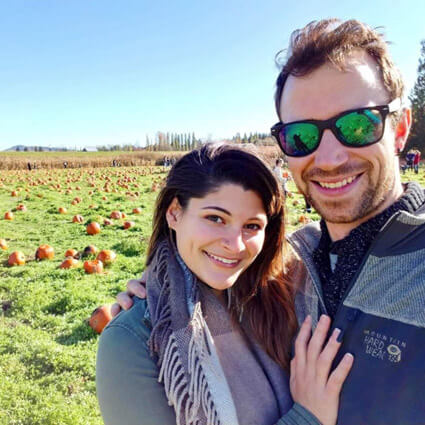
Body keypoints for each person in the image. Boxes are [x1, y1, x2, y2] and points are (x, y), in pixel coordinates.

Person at [115, 19, 425, 425]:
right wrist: (157, 296)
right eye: (302, 136)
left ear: (399, 128)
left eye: (357, 125)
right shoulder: (290, 262)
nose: (329, 159)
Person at [96, 143, 353, 425]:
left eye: (252, 226)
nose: (235, 244)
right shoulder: (133, 340)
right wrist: (308, 417)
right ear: (174, 213)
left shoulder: (282, 292)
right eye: (215, 218)